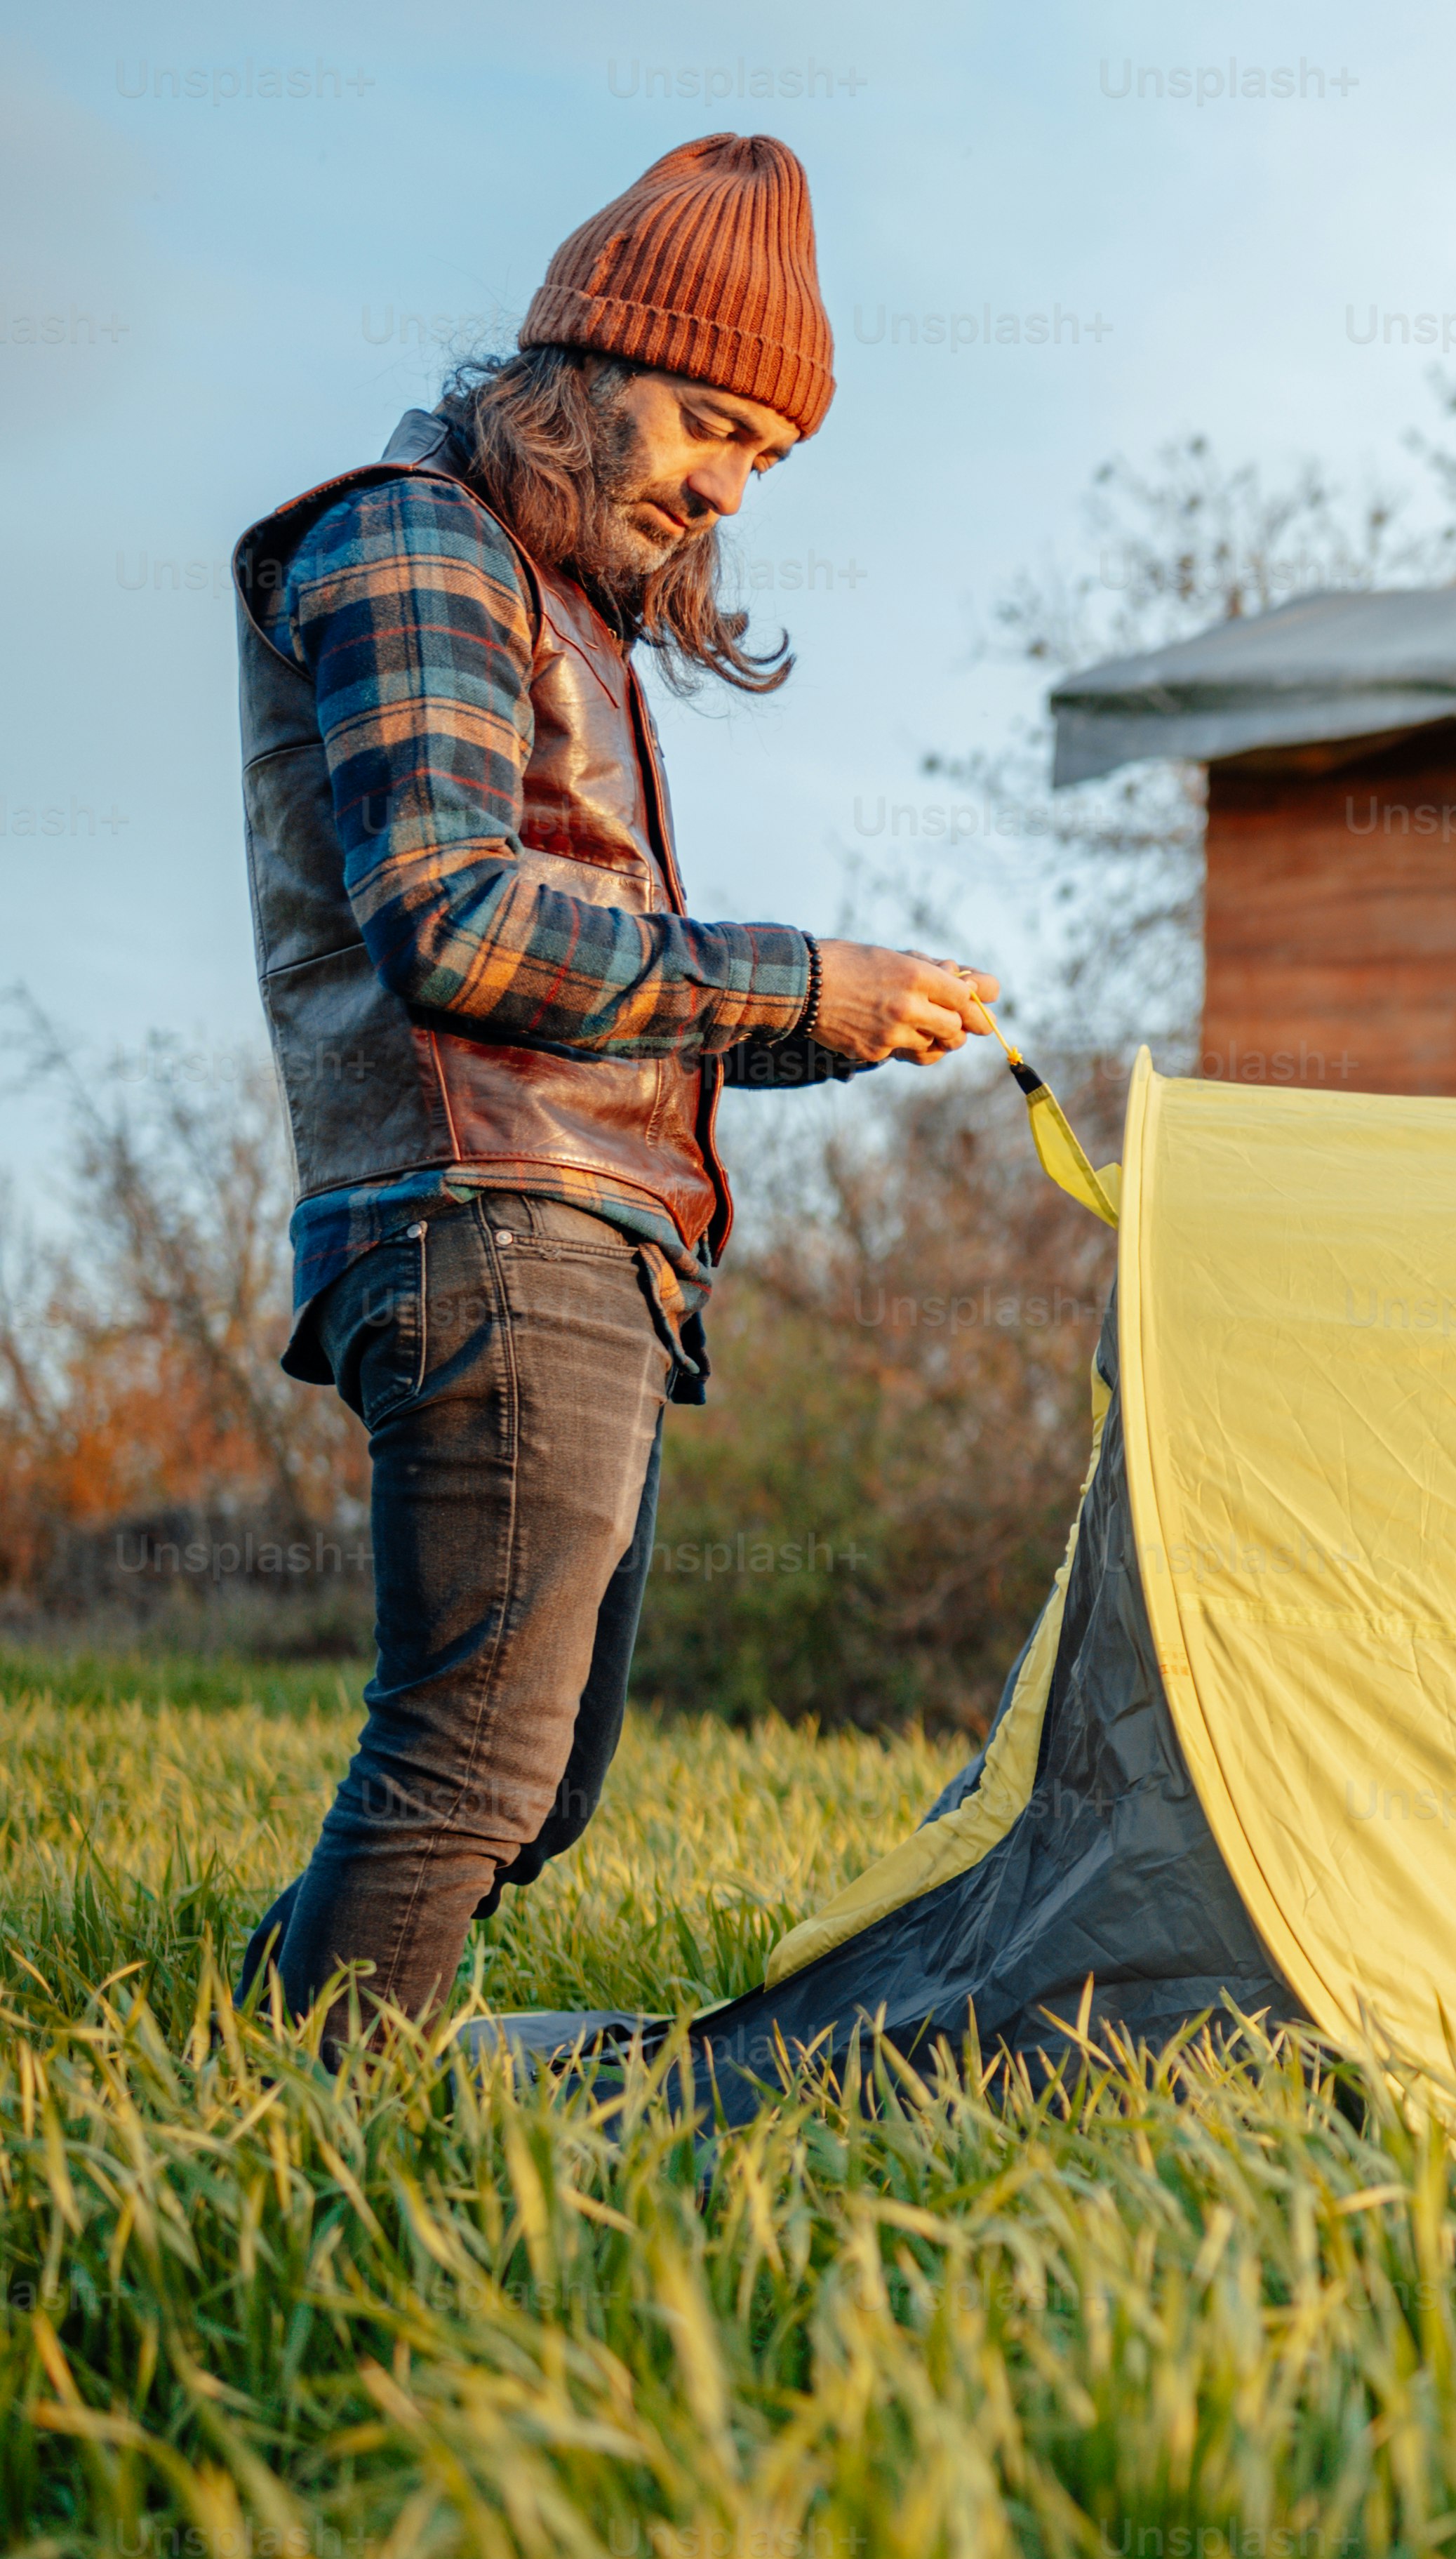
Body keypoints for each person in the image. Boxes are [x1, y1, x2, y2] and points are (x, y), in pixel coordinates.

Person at [231, 133, 999, 2028]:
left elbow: (589, 994)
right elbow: (456, 929)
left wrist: (836, 1024)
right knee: (475, 1769)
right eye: (708, 421)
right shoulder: (415, 539)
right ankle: (313, 2134)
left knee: (537, 1785)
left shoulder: (556, 600)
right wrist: (796, 977)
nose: (730, 484)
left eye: (771, 455)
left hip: (578, 1236)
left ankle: (265, 2045)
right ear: (576, 371)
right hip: (480, 1222)